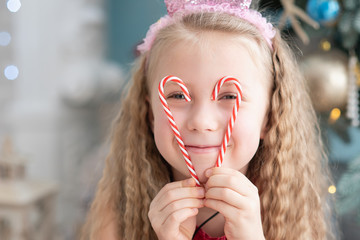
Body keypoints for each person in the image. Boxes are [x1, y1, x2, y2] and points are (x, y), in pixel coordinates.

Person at [81, 0, 335, 239]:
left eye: (228, 96)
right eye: (178, 95)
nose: (201, 121)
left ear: (269, 117)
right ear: (150, 114)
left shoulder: (291, 207)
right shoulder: (119, 209)